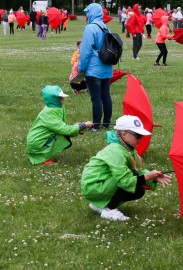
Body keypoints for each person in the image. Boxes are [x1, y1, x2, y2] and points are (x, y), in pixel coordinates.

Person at [81, 115, 172, 221]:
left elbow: (138, 171)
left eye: (142, 135)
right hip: (93, 187)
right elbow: (123, 180)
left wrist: (153, 177)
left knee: (138, 188)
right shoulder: (115, 150)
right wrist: (146, 177)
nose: (141, 139)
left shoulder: (127, 148)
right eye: (137, 135)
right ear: (123, 134)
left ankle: (99, 205)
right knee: (134, 181)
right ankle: (109, 210)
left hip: (100, 184)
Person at [26, 85, 93, 165]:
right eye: (60, 98)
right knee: (64, 136)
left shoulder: (56, 108)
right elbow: (65, 130)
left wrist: (77, 128)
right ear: (54, 99)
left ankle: (45, 156)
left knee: (64, 136)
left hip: (41, 139)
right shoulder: (49, 113)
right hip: (37, 142)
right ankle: (43, 159)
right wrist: (83, 125)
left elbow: (60, 127)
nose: (63, 99)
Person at [78, 3, 113, 131]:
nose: (86, 16)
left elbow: (85, 52)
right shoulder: (105, 27)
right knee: (106, 96)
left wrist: (81, 68)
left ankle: (96, 125)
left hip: (93, 69)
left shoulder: (90, 28)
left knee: (96, 98)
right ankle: (106, 123)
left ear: (91, 13)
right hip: (106, 68)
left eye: (87, 13)